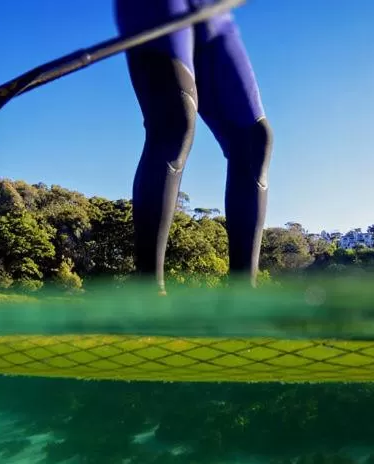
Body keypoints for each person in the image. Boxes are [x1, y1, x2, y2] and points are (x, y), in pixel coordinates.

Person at [114, 0, 273, 292]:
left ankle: (242, 296)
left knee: (253, 141)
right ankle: (147, 291)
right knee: (174, 120)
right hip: (159, 6)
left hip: (215, 12)